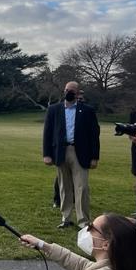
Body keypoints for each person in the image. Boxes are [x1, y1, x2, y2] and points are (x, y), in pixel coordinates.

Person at [43, 81, 100, 228]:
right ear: (64, 91)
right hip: (60, 152)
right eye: (67, 89)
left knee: (82, 187)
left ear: (78, 93)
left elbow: (94, 135)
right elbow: (47, 133)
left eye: (73, 90)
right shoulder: (54, 109)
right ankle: (66, 218)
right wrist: (47, 154)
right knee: (64, 186)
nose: (69, 92)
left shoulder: (87, 110)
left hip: (80, 152)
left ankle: (83, 222)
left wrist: (94, 157)